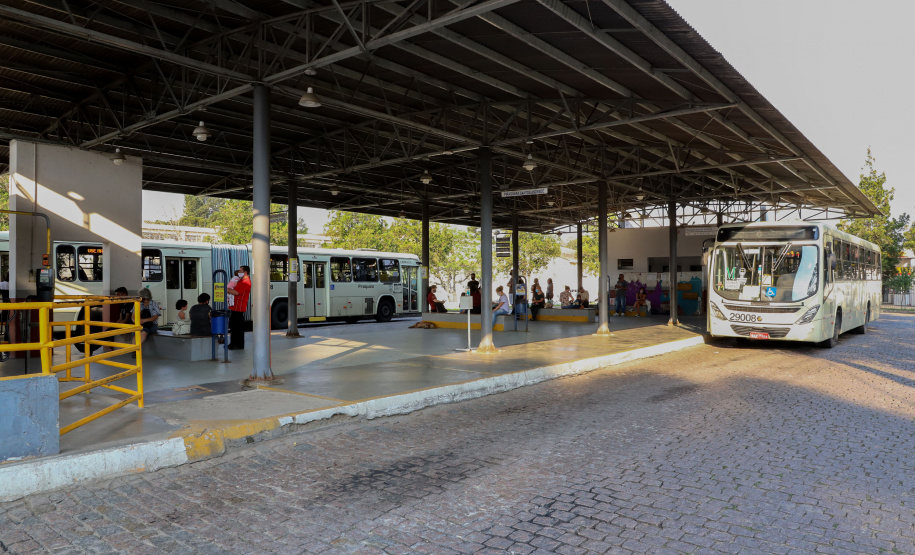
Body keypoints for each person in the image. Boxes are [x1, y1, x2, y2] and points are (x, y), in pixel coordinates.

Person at [227, 265, 251, 350]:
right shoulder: (241, 280)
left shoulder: (245, 282)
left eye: (240, 271)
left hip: (239, 307)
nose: (239, 272)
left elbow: (237, 292)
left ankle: (237, 344)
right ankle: (233, 343)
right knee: (233, 326)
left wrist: (226, 290)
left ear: (245, 272)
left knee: (237, 327)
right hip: (235, 307)